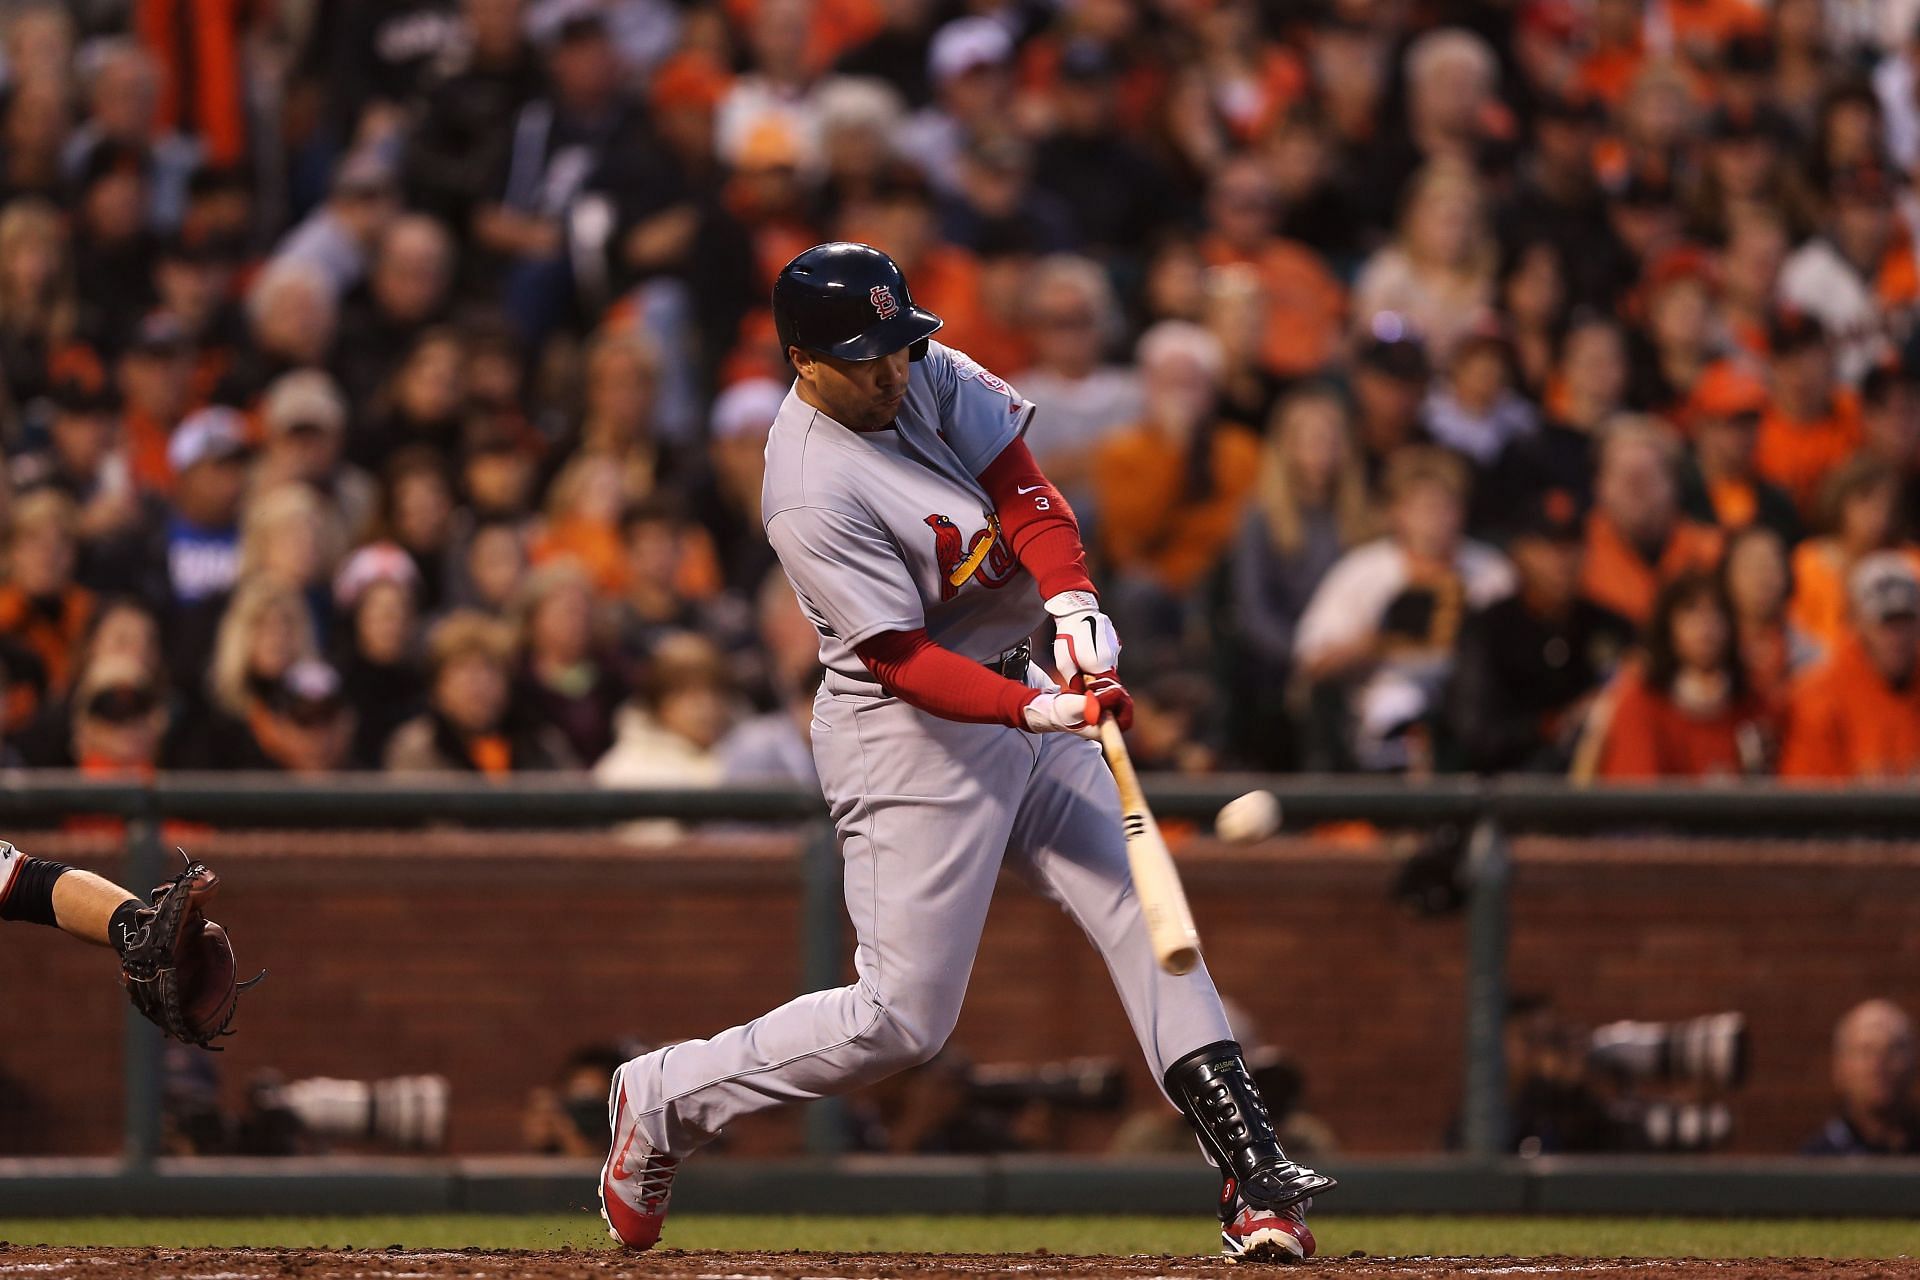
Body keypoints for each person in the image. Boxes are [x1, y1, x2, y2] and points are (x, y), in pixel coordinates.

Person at [599, 243, 1332, 1263]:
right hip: (909, 739)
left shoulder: (921, 370)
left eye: (897, 345)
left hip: (1012, 680)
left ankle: (1256, 1177)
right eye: (864, 357)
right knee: (902, 1020)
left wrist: (1073, 600)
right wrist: (1032, 714)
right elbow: (900, 659)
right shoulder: (807, 482)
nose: (891, 371)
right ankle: (663, 1093)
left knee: (1147, 915)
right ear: (801, 359)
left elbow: (1024, 489)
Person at [1293, 446, 1514, 770]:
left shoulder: (1492, 574)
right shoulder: (1363, 571)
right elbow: (1312, 663)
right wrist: (1379, 642)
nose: (1435, 520)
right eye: (1423, 507)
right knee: (1398, 703)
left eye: (1445, 507)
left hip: (1471, 709)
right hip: (1379, 714)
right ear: (1398, 512)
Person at [1449, 492, 1634, 773]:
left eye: (1571, 545)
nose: (1561, 560)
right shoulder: (1489, 627)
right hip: (1508, 788)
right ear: (1520, 552)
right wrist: (1553, 725)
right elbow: (1476, 733)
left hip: (1602, 782)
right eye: (1547, 546)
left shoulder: (1612, 626)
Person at [1586, 572, 1772, 780]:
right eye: (1690, 611)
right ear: (1668, 626)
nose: (1706, 625)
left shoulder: (1751, 705)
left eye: (1717, 612)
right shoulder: (1639, 702)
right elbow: (1635, 797)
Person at [1779, 552, 1920, 779]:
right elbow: (1805, 798)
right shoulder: (1819, 696)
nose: (1897, 637)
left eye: (1905, 621)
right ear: (1859, 626)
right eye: (1885, 623)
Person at [1579, 418, 1725, 626]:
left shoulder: (1715, 554)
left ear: (1674, 483)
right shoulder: (1576, 552)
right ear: (1599, 486)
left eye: (1648, 478)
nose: (1636, 492)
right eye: (1624, 479)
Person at [1803, 999, 1920, 1155]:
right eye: (1866, 1052)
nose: (1878, 1065)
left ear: (1914, 1064)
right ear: (1840, 1069)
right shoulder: (1818, 1162)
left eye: (1893, 1050)